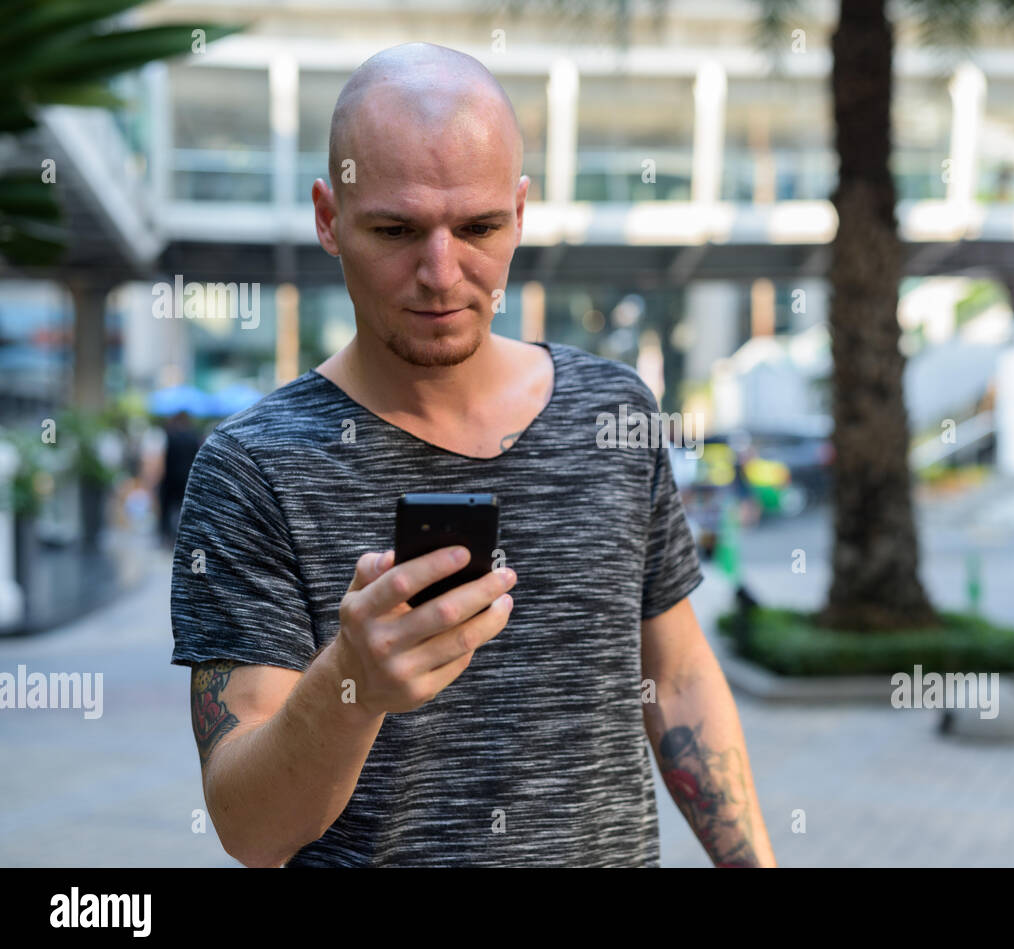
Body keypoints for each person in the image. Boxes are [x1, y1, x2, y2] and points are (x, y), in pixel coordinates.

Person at [169, 43, 776, 869]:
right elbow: (249, 826)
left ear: (520, 214)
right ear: (328, 218)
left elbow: (675, 675)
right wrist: (350, 683)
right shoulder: (252, 470)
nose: (442, 272)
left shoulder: (615, 413)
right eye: (396, 229)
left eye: (480, 227)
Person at [157, 411, 201, 546]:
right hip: (188, 477)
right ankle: (187, 534)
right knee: (186, 508)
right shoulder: (193, 437)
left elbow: (165, 459)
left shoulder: (170, 436)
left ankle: (166, 534)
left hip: (171, 478)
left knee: (167, 507)